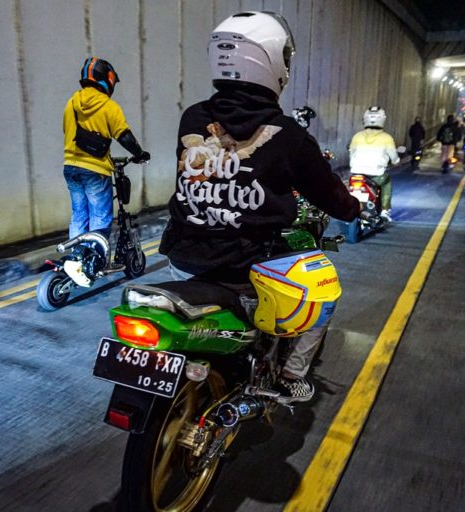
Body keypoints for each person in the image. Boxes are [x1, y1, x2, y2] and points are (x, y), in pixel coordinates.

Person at [159, 11, 361, 403]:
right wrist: (353, 209)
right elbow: (330, 196)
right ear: (272, 63)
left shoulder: (193, 116)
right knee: (323, 295)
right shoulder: (288, 135)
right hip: (243, 267)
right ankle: (290, 374)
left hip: (182, 259)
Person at [62, 57, 150, 270]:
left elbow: (67, 131)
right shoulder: (109, 106)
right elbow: (124, 136)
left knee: (79, 215)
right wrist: (139, 154)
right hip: (95, 169)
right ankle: (96, 262)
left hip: (70, 167)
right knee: (100, 216)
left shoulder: (72, 103)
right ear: (106, 79)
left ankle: (77, 259)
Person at [348, 106, 400, 222]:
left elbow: (351, 153)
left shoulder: (357, 136)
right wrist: (396, 161)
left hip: (356, 173)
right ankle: (385, 210)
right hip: (376, 175)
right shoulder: (387, 138)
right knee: (386, 182)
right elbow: (394, 158)